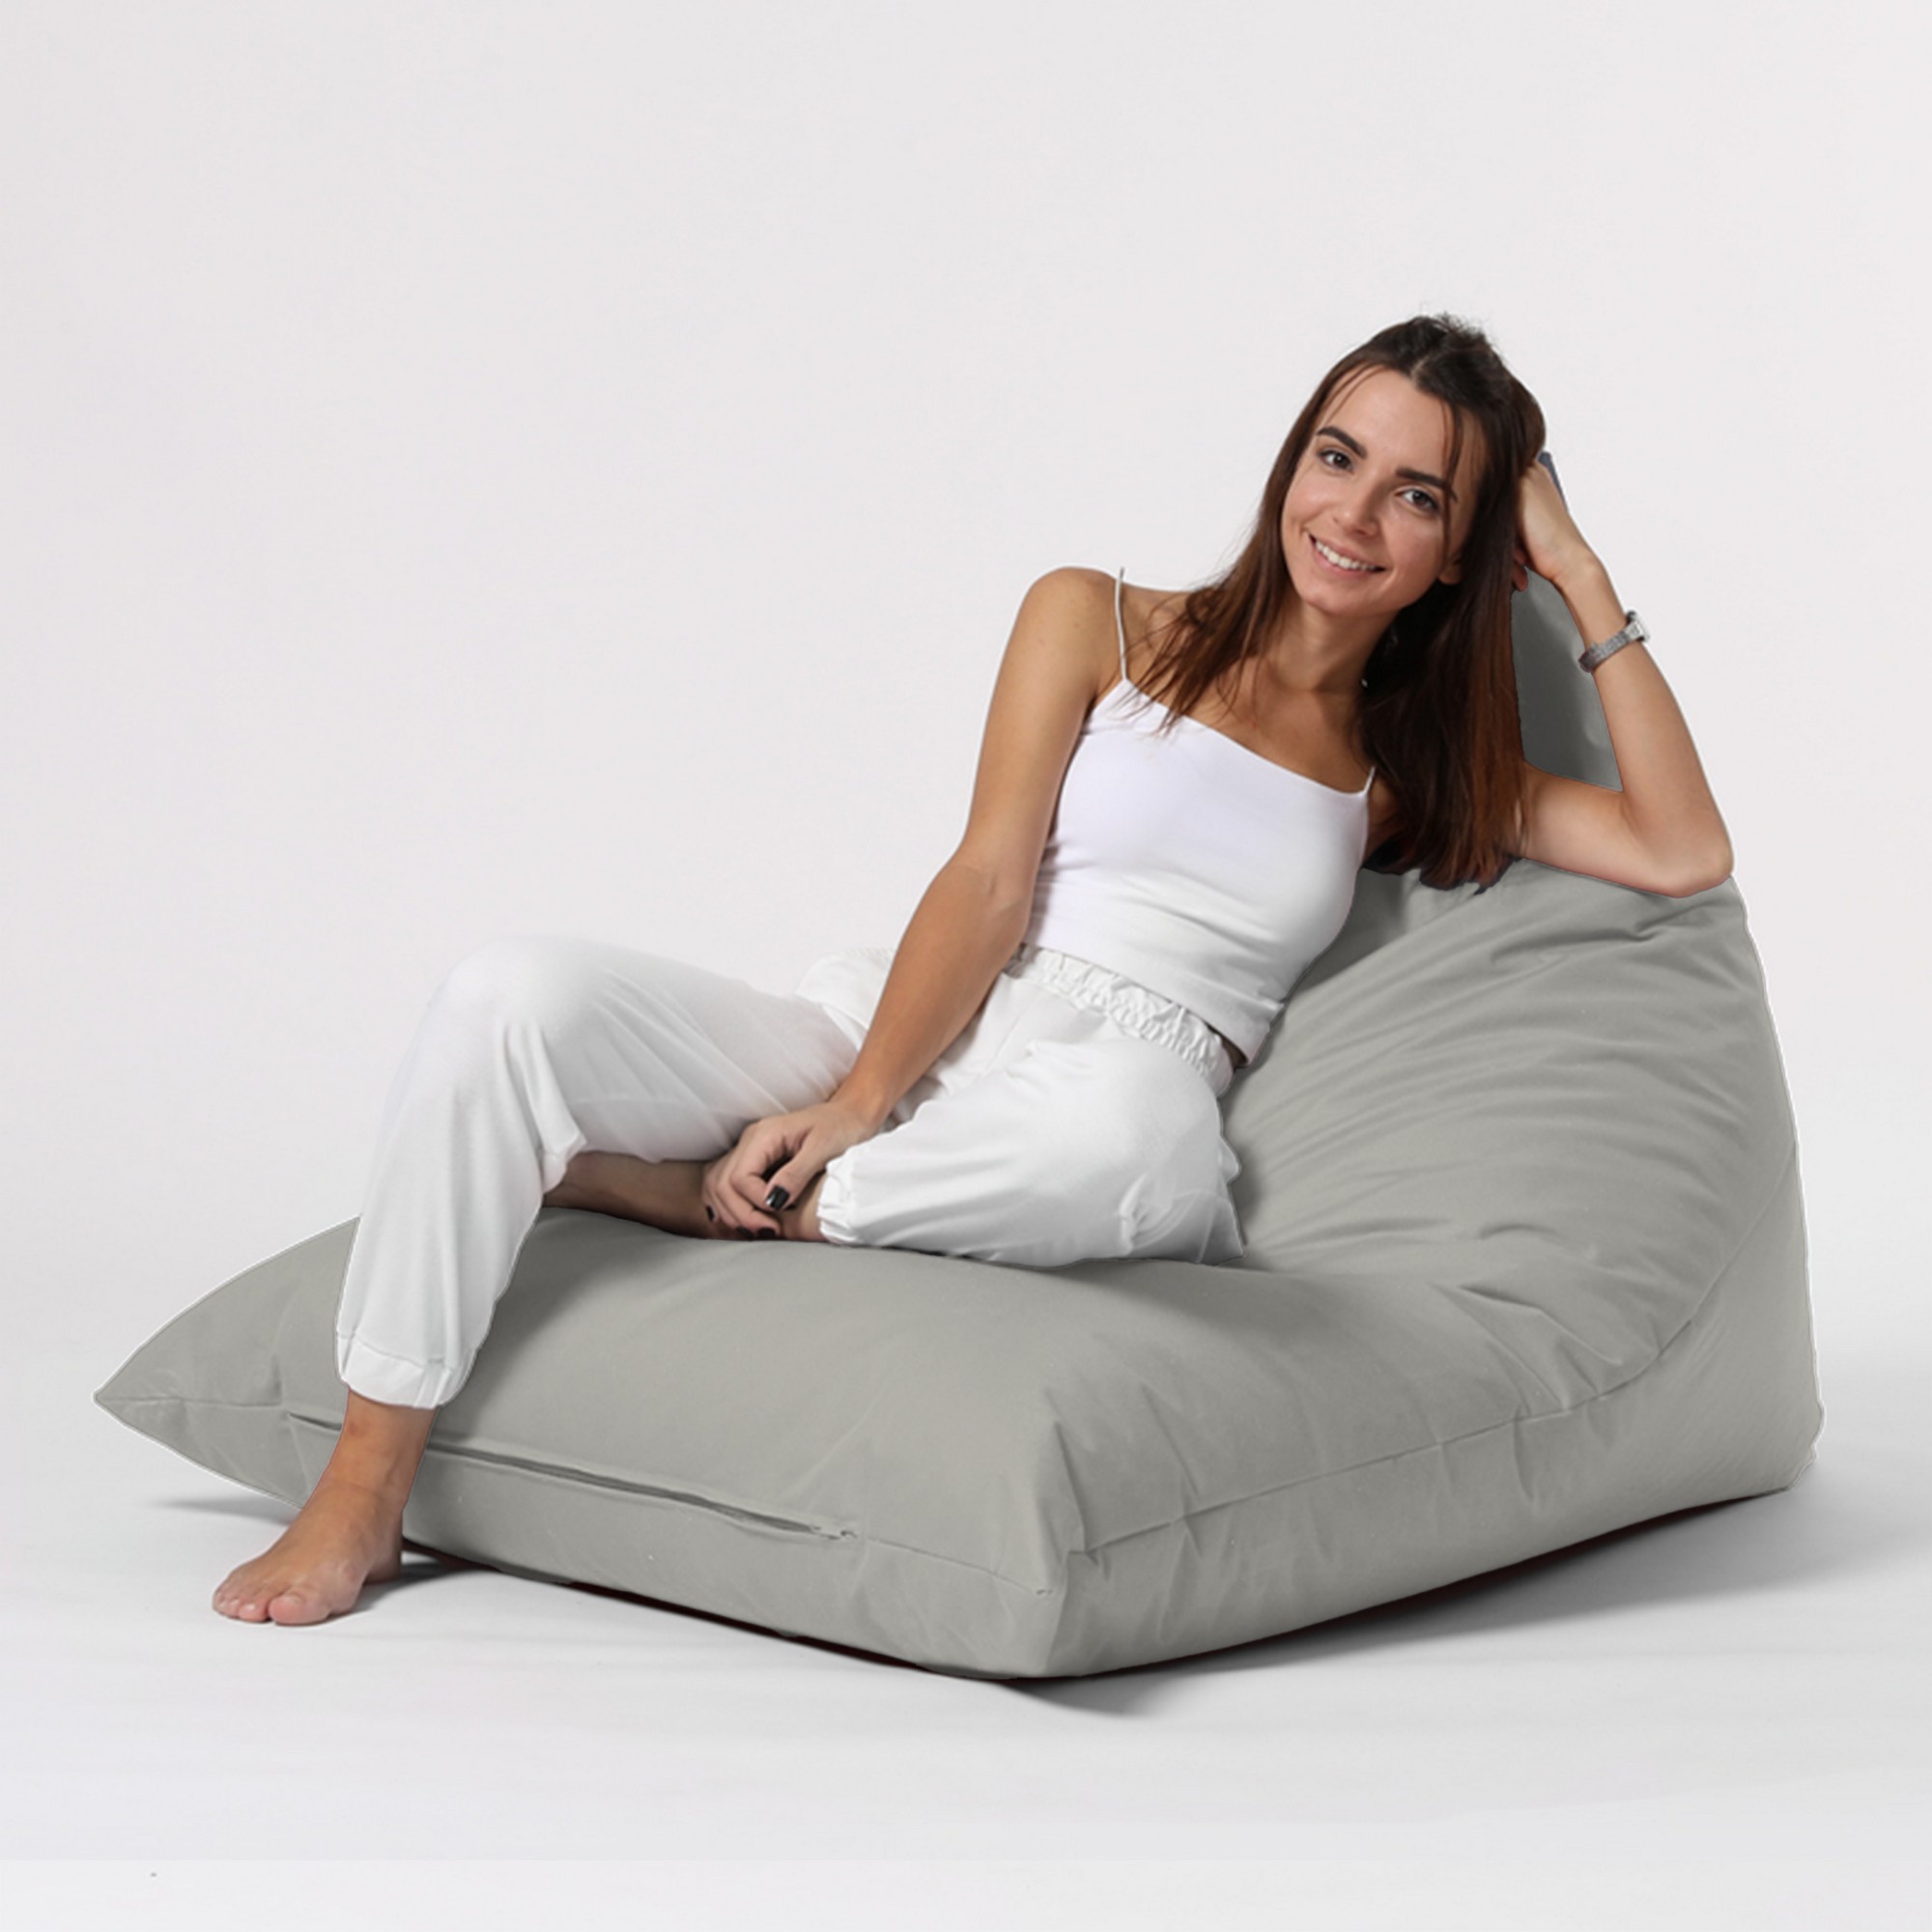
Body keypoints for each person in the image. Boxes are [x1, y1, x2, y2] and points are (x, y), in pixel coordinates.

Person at [212, 312, 1733, 1626]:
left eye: (1419, 495)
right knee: (508, 996)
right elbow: (990, 879)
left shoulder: (1398, 770)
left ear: (1461, 553)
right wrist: (862, 1095)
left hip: (1108, 1104)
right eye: (1337, 457)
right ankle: (366, 1480)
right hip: (920, 1023)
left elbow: (1681, 848)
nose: (1354, 512)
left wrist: (1577, 568)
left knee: (1139, 1146)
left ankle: (680, 1197)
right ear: (1292, 463)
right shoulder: (1098, 618)